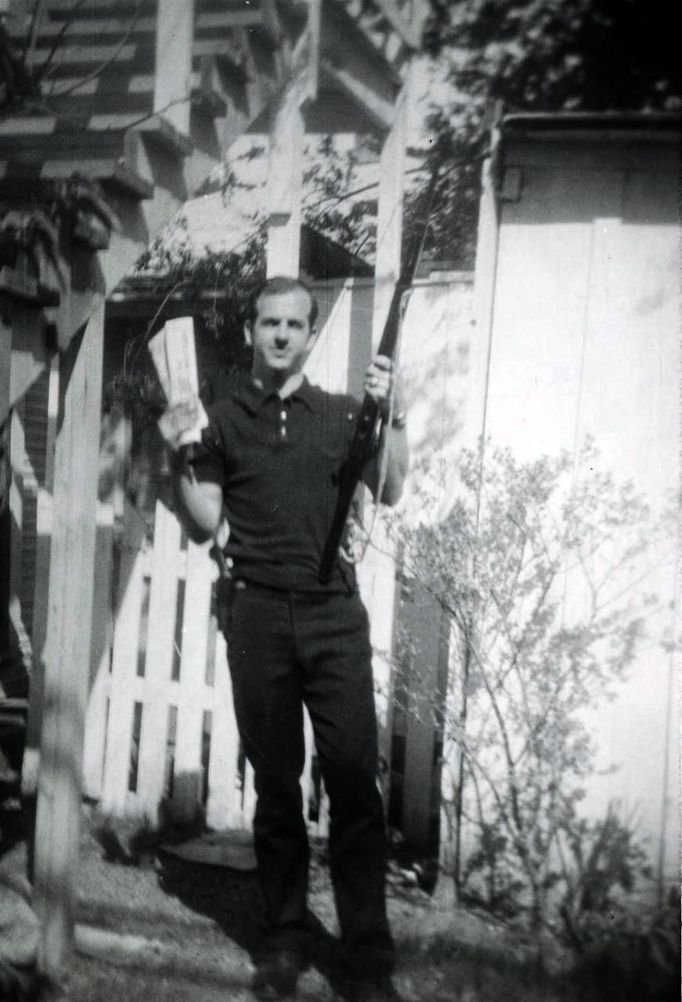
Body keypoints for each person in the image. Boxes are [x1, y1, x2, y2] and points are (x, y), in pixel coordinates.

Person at [164, 275, 409, 1001]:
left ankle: (366, 960)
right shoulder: (222, 419)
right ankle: (283, 939)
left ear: (309, 334)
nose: (279, 335)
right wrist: (180, 453)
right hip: (258, 614)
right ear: (250, 331)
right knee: (275, 786)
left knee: (354, 788)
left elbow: (391, 488)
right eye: (267, 322)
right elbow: (205, 520)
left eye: (293, 324)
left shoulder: (342, 414)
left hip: (334, 616)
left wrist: (395, 416)